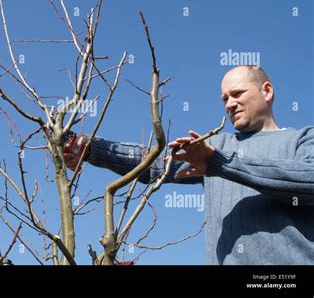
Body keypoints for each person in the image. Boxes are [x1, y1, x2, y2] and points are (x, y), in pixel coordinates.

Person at [64, 65, 314, 265]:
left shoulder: (302, 139)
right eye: (225, 98)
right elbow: (155, 165)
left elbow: (309, 180)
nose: (229, 104)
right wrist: (92, 148)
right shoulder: (216, 146)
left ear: (267, 91)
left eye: (238, 94)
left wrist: (221, 163)